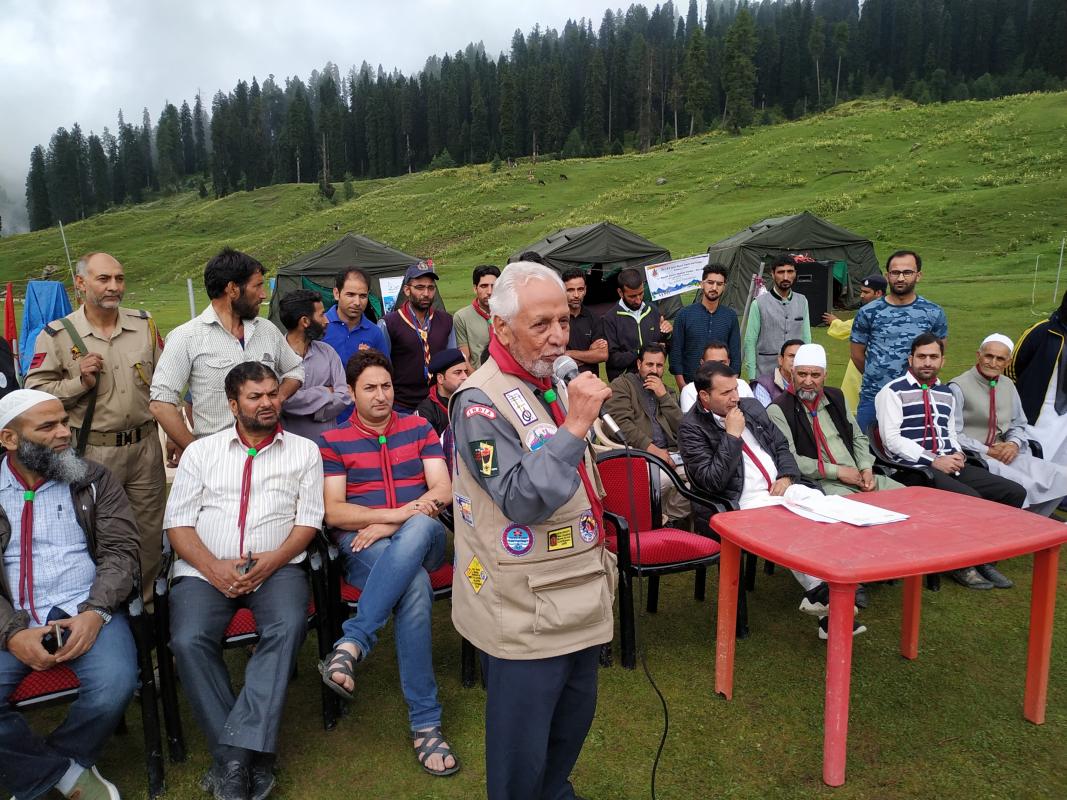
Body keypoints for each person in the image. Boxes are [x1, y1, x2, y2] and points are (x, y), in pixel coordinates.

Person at [449, 261, 617, 800]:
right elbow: (520, 498)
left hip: (581, 593)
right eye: (540, 325)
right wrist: (574, 427)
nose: (558, 337)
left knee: (568, 732)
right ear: (500, 329)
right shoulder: (478, 402)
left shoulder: (553, 382)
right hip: (524, 611)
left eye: (563, 322)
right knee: (521, 757)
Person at [163, 362, 323, 800]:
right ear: (233, 404)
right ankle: (244, 756)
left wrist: (270, 563)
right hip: (204, 570)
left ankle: (231, 759)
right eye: (255, 396)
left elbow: (308, 522)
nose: (268, 402)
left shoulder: (304, 451)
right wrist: (214, 567)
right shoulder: (201, 452)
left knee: (287, 626)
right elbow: (177, 526)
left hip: (278, 567)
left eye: (272, 393)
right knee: (189, 638)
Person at [317, 350, 458, 778]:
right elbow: (335, 514)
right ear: (350, 392)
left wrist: (394, 520)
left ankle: (352, 643)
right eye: (370, 388)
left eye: (387, 386)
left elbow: (443, 490)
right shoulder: (333, 441)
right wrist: (393, 517)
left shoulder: (418, 428)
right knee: (413, 584)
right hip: (364, 547)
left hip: (427, 537)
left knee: (416, 532)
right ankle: (426, 724)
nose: (381, 395)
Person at [0, 389, 139, 800]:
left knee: (115, 684)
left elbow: (121, 553)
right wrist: (10, 633)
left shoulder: (93, 479)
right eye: (48, 427)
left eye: (64, 422)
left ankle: (53, 767)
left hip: (85, 606)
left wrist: (95, 612)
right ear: (9, 439)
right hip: (14, 617)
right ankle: (64, 777)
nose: (65, 433)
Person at [678, 362, 861, 639]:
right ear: (704, 396)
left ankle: (829, 598)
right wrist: (731, 436)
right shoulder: (691, 429)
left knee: (827, 511)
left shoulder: (750, 406)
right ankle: (833, 596)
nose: (735, 397)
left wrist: (787, 475)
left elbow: (781, 446)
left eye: (735, 389)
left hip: (782, 486)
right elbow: (711, 482)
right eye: (725, 393)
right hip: (739, 501)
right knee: (793, 524)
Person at [25, 251, 166, 602]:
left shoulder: (144, 325)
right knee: (99, 535)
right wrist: (78, 383)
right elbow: (34, 396)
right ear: (81, 283)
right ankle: (104, 610)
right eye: (104, 279)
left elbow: (162, 383)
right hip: (93, 453)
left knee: (149, 534)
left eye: (119, 278)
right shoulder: (57, 336)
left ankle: (145, 614)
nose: (114, 287)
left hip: (146, 447)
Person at [875, 333, 1025, 590]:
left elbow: (951, 433)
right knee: (971, 499)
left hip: (947, 463)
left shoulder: (945, 393)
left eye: (933, 357)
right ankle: (961, 564)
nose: (927, 363)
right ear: (911, 359)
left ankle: (986, 558)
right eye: (921, 357)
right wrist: (934, 460)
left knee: (1013, 492)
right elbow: (891, 440)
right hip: (911, 469)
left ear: (943, 361)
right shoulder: (893, 391)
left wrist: (958, 454)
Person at [150, 248, 304, 464]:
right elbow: (160, 402)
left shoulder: (267, 330)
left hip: (271, 453)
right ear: (232, 289)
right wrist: (197, 452)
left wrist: (276, 397)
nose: (263, 295)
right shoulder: (186, 337)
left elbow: (296, 370)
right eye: (257, 286)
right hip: (216, 459)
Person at [950, 334, 1067, 516]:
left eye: (1000, 359)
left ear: (1008, 362)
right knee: (1023, 486)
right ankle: (1021, 524)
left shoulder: (1008, 386)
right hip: (976, 456)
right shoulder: (958, 386)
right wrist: (987, 450)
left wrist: (1013, 444)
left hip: (1007, 452)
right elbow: (953, 434)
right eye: (989, 356)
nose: (993, 363)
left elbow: (1019, 424)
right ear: (978, 355)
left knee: (1061, 476)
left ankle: (1038, 521)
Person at [768, 344, 902, 496]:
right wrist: (837, 472)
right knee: (859, 508)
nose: (808, 381)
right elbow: (790, 459)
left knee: (909, 496)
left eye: (815, 375)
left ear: (825, 375)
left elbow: (857, 437)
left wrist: (866, 468)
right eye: (802, 374)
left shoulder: (836, 396)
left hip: (858, 476)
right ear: (792, 373)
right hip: (822, 483)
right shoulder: (779, 409)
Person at [851, 250, 948, 433]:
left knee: (916, 453)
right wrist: (878, 375)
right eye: (895, 273)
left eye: (907, 272)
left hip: (917, 398)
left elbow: (938, 354)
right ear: (887, 276)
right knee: (868, 456)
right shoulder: (869, 312)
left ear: (918, 275)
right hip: (875, 397)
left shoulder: (933, 312)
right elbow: (857, 354)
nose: (901, 278)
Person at [603, 343, 689, 522]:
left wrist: (663, 396)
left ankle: (665, 517)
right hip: (640, 457)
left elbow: (683, 428)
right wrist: (652, 450)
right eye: (649, 365)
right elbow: (619, 424)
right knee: (694, 480)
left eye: (659, 366)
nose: (654, 370)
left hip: (672, 455)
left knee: (707, 478)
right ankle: (660, 520)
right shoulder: (623, 385)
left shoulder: (666, 391)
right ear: (639, 364)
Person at [380, 263, 455, 413]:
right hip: (401, 405)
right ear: (407, 290)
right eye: (420, 287)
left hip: (438, 403)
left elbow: (452, 362)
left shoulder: (446, 321)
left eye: (431, 288)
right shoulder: (389, 323)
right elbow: (383, 366)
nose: (426, 293)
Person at [278, 289, 351, 441]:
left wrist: (312, 410)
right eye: (321, 315)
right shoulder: (275, 358)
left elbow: (344, 396)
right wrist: (325, 392)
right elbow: (281, 401)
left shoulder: (328, 353)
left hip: (327, 446)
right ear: (305, 321)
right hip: (289, 448)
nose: (327, 321)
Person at [323, 267, 389, 424]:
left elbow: (385, 373)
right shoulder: (320, 327)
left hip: (362, 420)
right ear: (336, 293)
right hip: (325, 418)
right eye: (350, 295)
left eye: (363, 296)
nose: (357, 302)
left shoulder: (375, 333)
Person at [1008, 289, 1067, 464]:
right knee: (1033, 461)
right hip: (1037, 410)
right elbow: (1013, 366)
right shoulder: (1042, 331)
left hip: (1065, 416)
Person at [822, 274, 886, 414]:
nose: (862, 295)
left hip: (865, 365)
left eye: (866, 292)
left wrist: (834, 322)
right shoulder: (870, 312)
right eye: (861, 291)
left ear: (879, 293)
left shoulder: (875, 313)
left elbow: (848, 327)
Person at [670, 264, 741, 389]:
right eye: (710, 282)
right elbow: (676, 353)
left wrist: (731, 385)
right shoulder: (684, 315)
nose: (714, 287)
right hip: (690, 384)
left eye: (719, 284)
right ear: (702, 284)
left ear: (724, 287)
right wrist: (683, 386)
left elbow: (735, 355)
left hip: (722, 386)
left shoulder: (730, 316)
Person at [744, 254, 811, 380]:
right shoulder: (758, 303)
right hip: (765, 372)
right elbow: (750, 341)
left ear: (795, 273)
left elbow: (806, 337)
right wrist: (752, 377)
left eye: (790, 272)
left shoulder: (802, 301)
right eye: (781, 272)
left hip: (795, 374)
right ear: (773, 274)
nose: (786, 277)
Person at [601, 267, 671, 381]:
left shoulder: (652, 310)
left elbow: (662, 347)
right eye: (632, 296)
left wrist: (667, 335)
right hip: (624, 383)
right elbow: (613, 358)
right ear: (620, 292)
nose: (638, 300)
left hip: (652, 379)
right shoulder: (610, 318)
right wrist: (642, 353)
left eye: (641, 293)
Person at [679, 341, 753, 412]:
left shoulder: (743, 385)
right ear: (702, 363)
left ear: (729, 362)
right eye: (712, 363)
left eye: (722, 362)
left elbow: (755, 417)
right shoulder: (689, 391)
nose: (718, 367)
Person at [562, 268, 607, 376]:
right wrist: (589, 354)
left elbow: (602, 355)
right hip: (563, 385)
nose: (576, 295)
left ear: (585, 290)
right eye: (571, 290)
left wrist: (569, 353)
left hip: (591, 381)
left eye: (580, 289)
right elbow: (556, 358)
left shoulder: (594, 318)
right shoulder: (556, 319)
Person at [452, 265, 499, 368]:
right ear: (475, 288)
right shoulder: (461, 317)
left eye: (494, 286)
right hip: (478, 374)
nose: (490, 292)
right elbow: (465, 359)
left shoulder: (508, 314)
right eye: (484, 286)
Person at [415, 348, 470, 435]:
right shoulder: (426, 411)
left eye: (466, 372)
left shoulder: (472, 400)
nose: (465, 377)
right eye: (458, 372)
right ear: (440, 378)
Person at [752, 339, 803, 407]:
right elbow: (766, 415)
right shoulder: (764, 385)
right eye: (791, 356)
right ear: (780, 360)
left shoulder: (809, 385)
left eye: (799, 357)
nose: (795, 360)